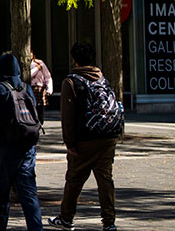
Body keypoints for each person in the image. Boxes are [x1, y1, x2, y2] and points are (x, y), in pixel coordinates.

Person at [49, 42, 121, 231]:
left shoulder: (71, 81)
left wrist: (69, 142)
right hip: (108, 137)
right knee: (105, 179)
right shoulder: (102, 79)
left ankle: (66, 218)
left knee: (74, 179)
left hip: (85, 139)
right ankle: (109, 222)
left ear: (75, 60)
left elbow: (67, 116)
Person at [0, 53, 43, 231]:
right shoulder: (25, 87)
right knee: (29, 194)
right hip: (27, 146)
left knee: (1, 195)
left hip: (5, 147)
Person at [30, 56, 53, 124]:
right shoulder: (25, 64)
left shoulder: (40, 63)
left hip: (39, 89)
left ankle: (40, 124)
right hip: (30, 88)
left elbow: (47, 76)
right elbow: (28, 75)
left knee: (39, 108)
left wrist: (49, 89)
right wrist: (37, 69)